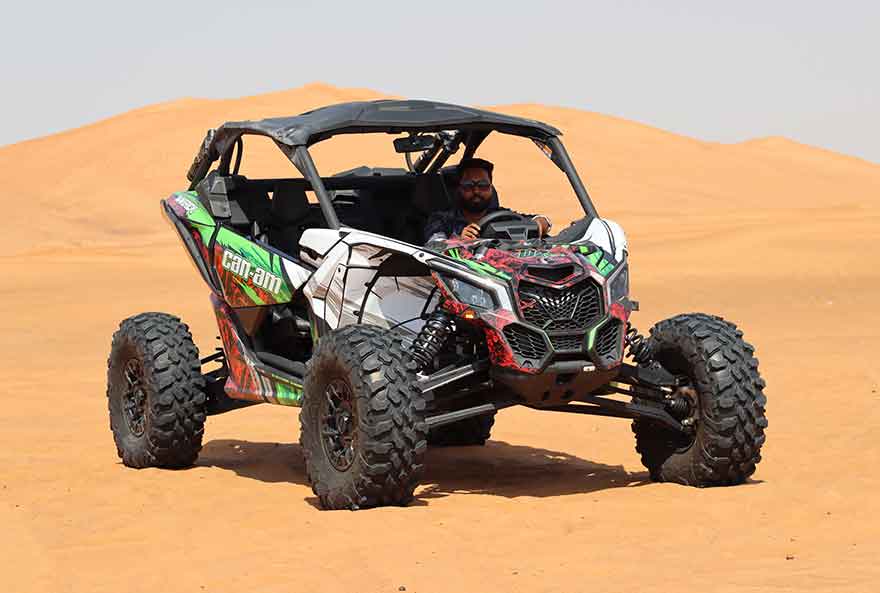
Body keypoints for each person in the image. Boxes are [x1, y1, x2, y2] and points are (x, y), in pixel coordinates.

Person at [423, 158, 552, 243]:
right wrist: (459, 241)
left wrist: (541, 224)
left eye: (483, 185)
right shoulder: (442, 219)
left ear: (491, 188)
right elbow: (435, 246)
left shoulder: (502, 216)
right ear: (459, 189)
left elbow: (540, 219)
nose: (476, 191)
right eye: (469, 186)